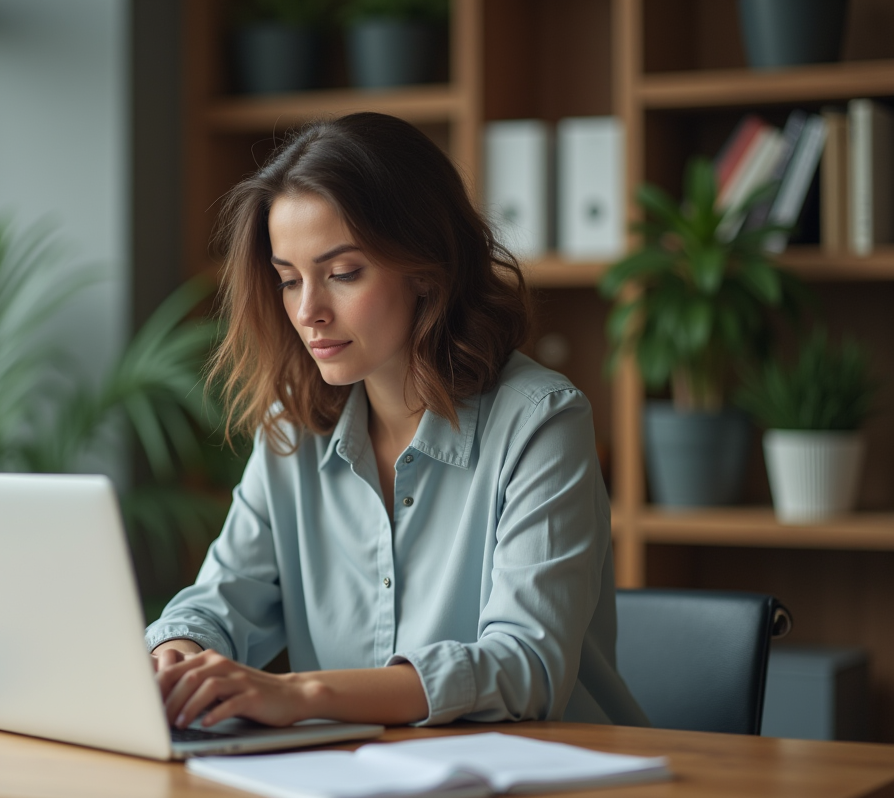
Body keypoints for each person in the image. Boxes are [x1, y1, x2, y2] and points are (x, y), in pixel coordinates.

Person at [146, 112, 647, 731]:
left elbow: (525, 669)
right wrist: (180, 655)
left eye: (343, 274)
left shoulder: (541, 424)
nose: (308, 312)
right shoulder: (293, 429)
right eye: (288, 280)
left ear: (426, 269)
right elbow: (222, 602)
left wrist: (303, 696)